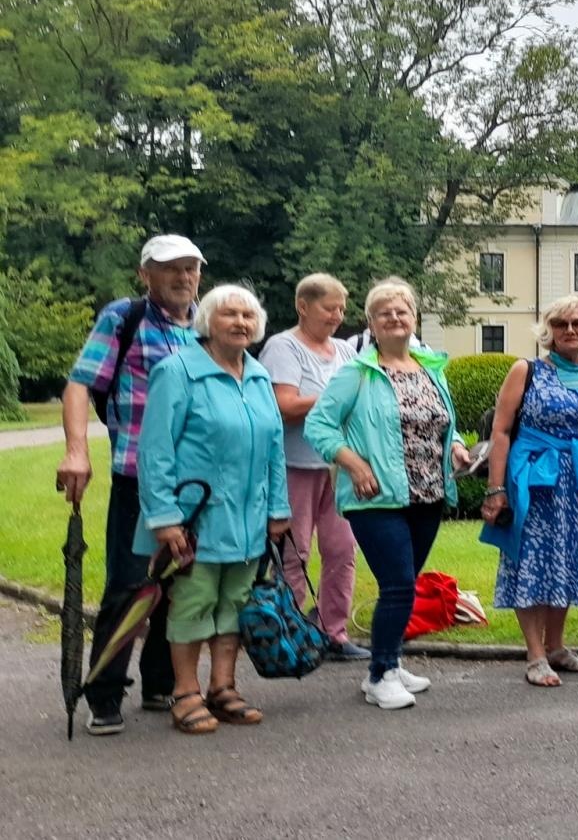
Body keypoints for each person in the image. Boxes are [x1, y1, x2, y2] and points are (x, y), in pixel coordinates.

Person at [57, 233, 204, 736]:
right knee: (130, 584)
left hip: (195, 486)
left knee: (181, 583)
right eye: (170, 268)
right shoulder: (126, 317)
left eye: (191, 268)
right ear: (146, 274)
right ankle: (103, 692)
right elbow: (80, 383)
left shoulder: (207, 324)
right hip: (138, 478)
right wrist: (77, 450)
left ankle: (161, 682)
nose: (183, 277)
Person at [305, 278, 471, 710]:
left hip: (428, 493)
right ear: (371, 324)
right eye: (384, 313)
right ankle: (379, 675)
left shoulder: (430, 368)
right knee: (398, 585)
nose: (395, 318)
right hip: (376, 496)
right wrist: (353, 463)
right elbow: (318, 425)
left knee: (405, 586)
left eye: (402, 311)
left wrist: (454, 446)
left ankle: (390, 663)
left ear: (414, 319)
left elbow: (438, 425)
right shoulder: (357, 373)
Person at [136, 285, 291, 734]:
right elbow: (156, 450)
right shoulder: (177, 371)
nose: (241, 322)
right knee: (193, 602)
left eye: (248, 315)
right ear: (207, 320)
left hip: (250, 518)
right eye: (230, 314)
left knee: (235, 604)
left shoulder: (259, 376)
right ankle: (185, 693)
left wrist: (278, 508)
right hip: (195, 519)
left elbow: (274, 448)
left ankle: (223, 688)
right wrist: (163, 516)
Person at [479, 297, 578, 688]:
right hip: (535, 481)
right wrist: (496, 488)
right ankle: (535, 654)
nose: (570, 330)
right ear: (548, 330)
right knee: (531, 560)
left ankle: (557, 646)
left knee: (568, 561)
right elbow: (501, 431)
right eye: (561, 323)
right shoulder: (526, 371)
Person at [258, 274, 366, 661]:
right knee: (295, 552)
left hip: (337, 467)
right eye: (329, 307)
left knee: (341, 550)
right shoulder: (282, 347)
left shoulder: (343, 351)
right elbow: (283, 406)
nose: (338, 316)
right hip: (295, 465)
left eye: (341, 308)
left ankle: (331, 631)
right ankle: (285, 631)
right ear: (303, 306)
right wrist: (332, 399)